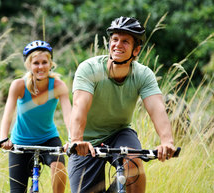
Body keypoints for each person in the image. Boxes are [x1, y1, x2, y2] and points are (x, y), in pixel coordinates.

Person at [68, 16, 176, 193]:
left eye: (125, 41)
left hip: (119, 133)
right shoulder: (89, 68)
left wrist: (167, 141)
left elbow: (157, 108)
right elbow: (80, 106)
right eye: (115, 39)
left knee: (133, 160)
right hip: (86, 141)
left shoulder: (143, 75)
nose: (118, 44)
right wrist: (77, 140)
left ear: (136, 50)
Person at [0, 40, 71, 193]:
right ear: (29, 65)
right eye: (36, 63)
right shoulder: (18, 85)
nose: (40, 67)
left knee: (59, 167)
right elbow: (8, 114)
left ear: (50, 64)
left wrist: (72, 139)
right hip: (20, 142)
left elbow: (69, 116)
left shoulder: (58, 86)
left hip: (48, 139)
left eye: (44, 62)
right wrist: (4, 137)